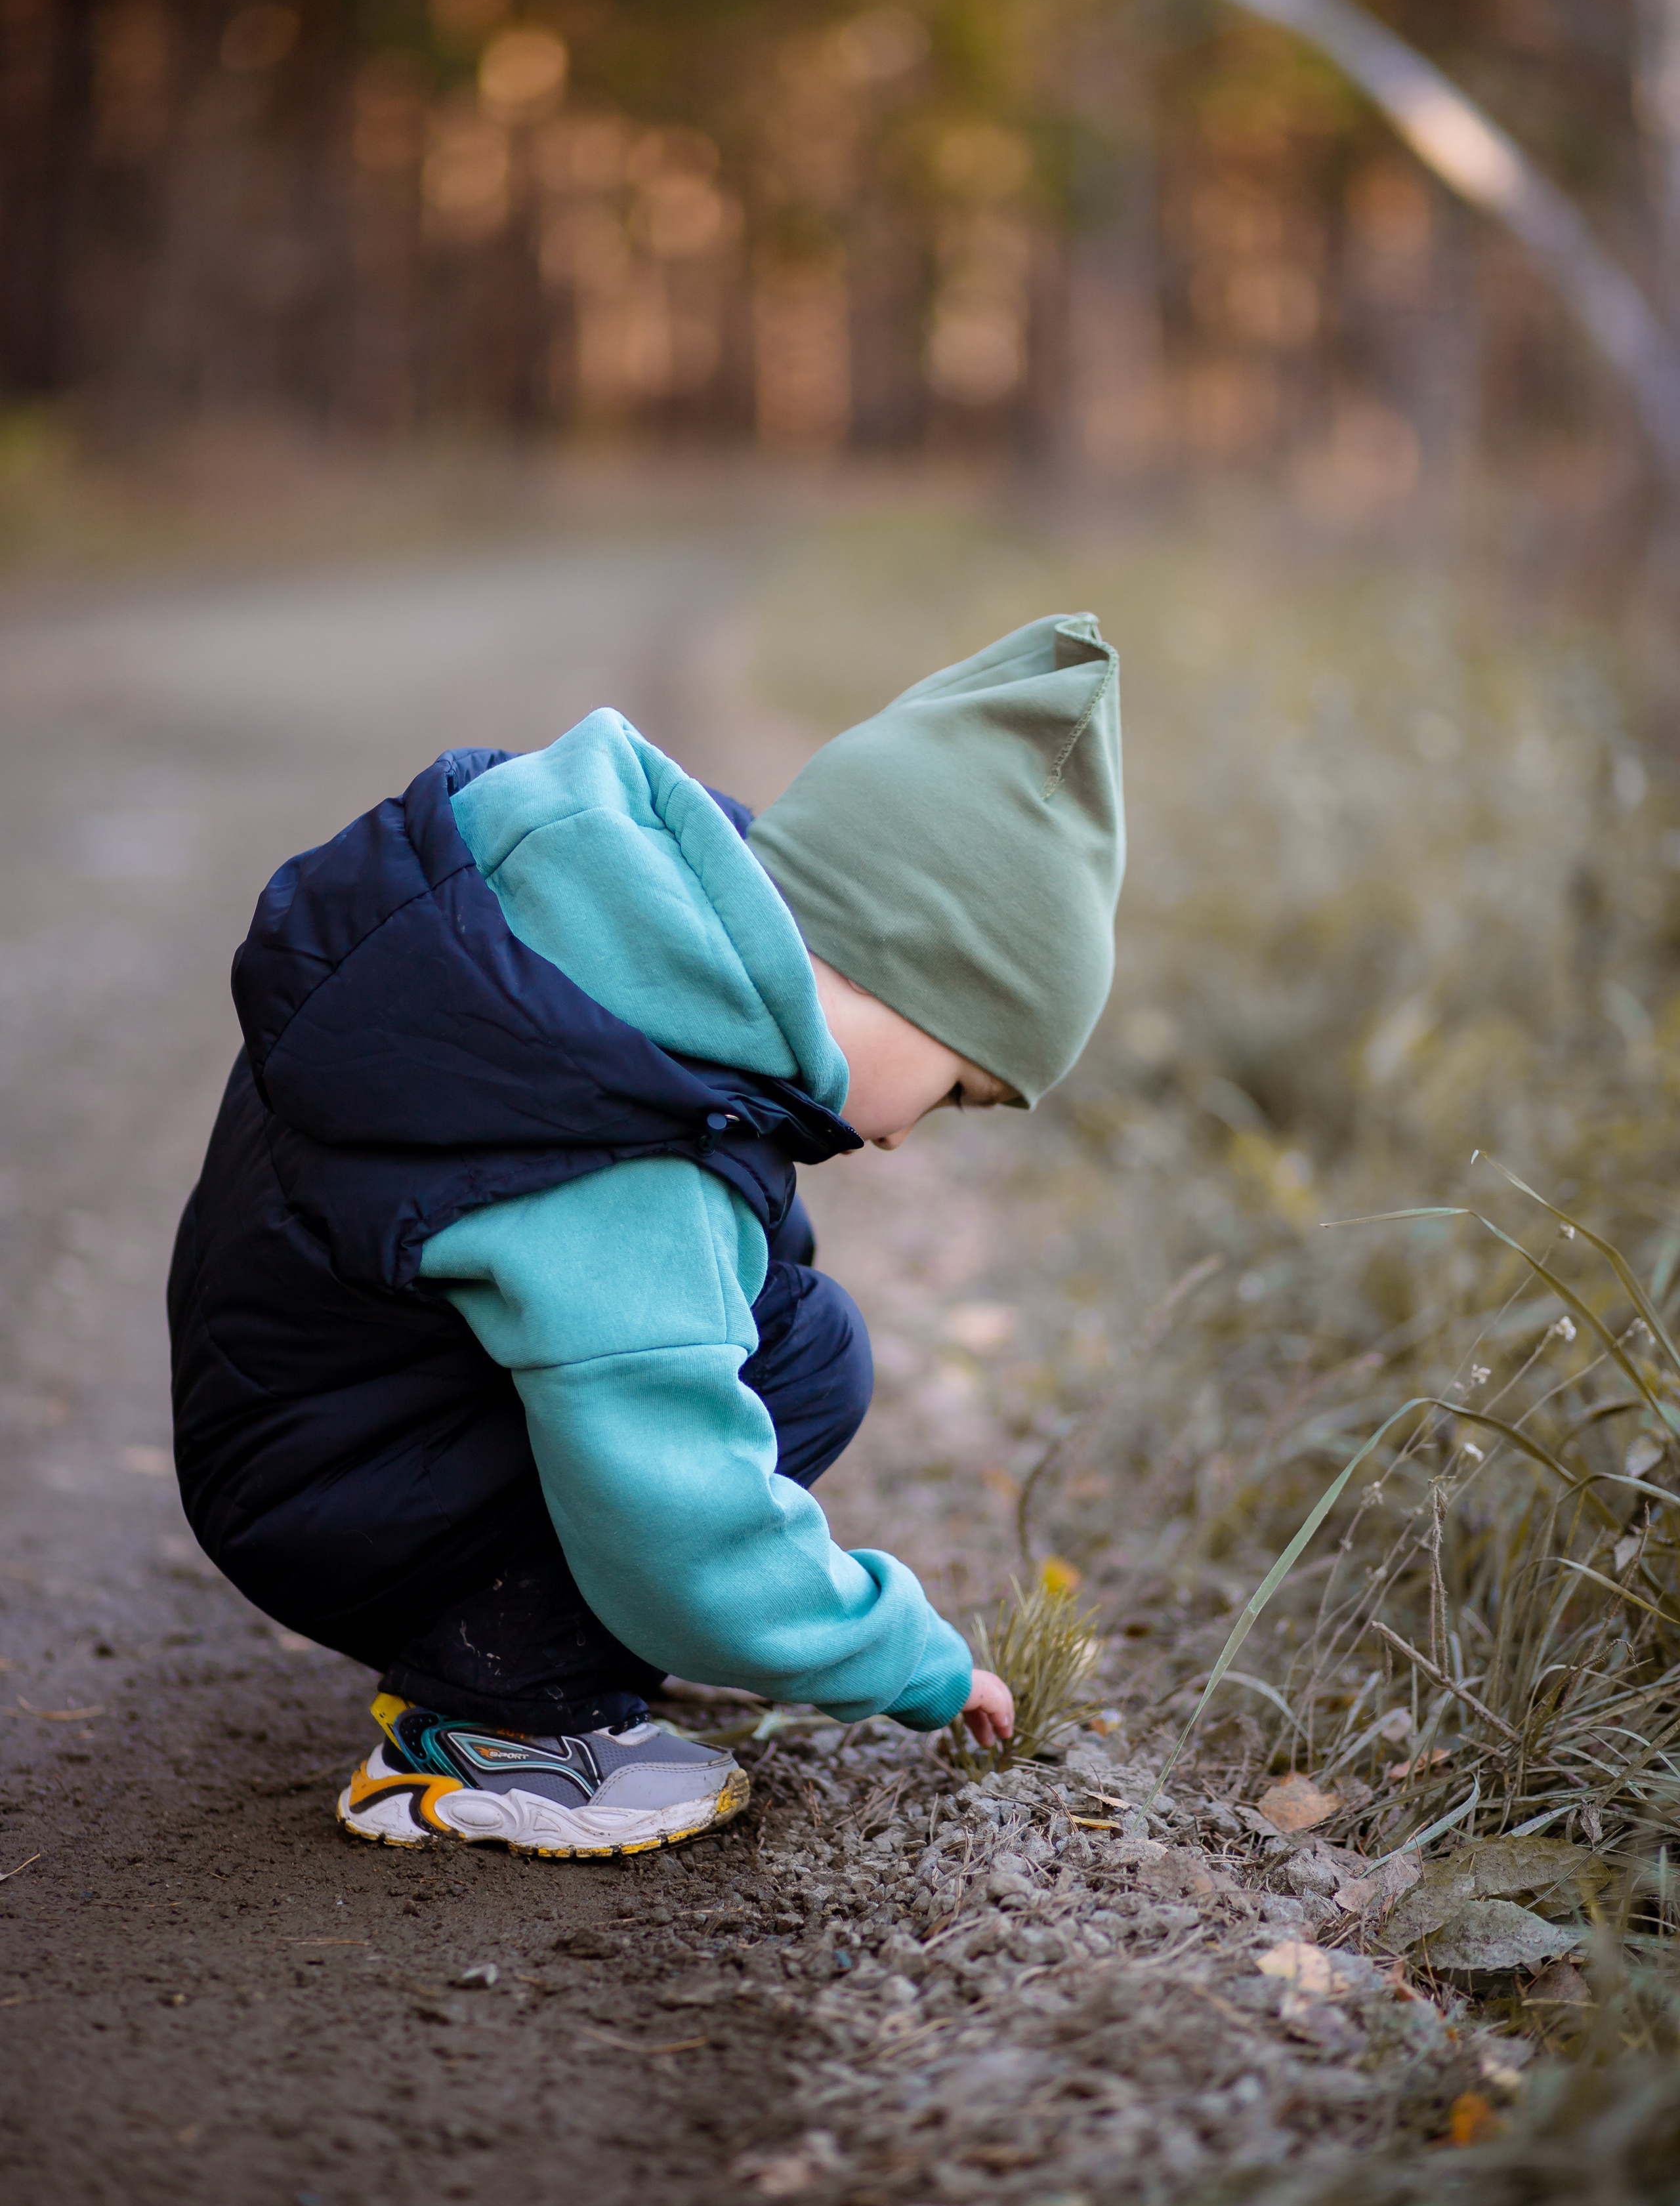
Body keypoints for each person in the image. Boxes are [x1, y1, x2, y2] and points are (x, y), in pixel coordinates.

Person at [167, 612, 1125, 1858]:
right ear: (903, 977)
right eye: (955, 1092)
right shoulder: (626, 1138)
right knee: (796, 1367)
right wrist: (906, 1658)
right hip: (324, 1487)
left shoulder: (606, 931)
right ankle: (487, 1731)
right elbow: (684, 1515)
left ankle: (526, 1637)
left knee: (785, 1321)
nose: (904, 1140)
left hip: (306, 1416)